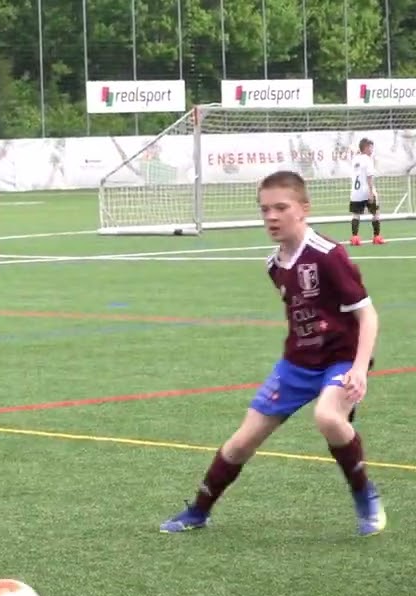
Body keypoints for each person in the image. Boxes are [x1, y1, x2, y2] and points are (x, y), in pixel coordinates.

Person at [160, 170, 384, 536]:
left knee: (328, 417)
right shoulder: (273, 265)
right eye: (265, 209)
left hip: (340, 360)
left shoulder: (329, 255)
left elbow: (367, 314)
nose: (271, 217)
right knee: (242, 440)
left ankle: (365, 496)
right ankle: (199, 511)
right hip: (296, 364)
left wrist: (359, 369)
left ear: (303, 209)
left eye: (281, 207)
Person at [348, 138, 384, 246]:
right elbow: (369, 177)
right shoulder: (368, 160)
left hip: (355, 192)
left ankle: (355, 237)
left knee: (356, 215)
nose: (372, 149)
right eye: (370, 147)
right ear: (366, 148)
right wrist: (371, 192)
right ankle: (376, 237)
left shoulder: (355, 159)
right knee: (376, 213)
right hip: (366, 190)